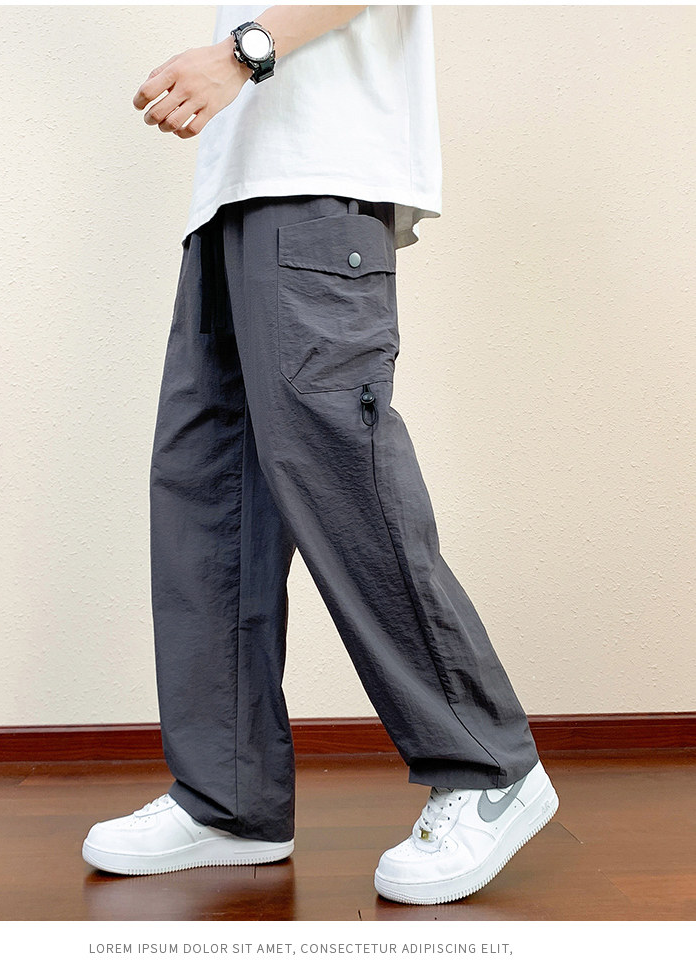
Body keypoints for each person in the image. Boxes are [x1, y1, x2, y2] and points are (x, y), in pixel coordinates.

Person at [81, 4, 559, 905]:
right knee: (207, 489)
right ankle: (229, 796)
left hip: (320, 176)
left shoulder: (254, 66)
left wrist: (242, 53)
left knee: (339, 472)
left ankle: (489, 765)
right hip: (235, 187)